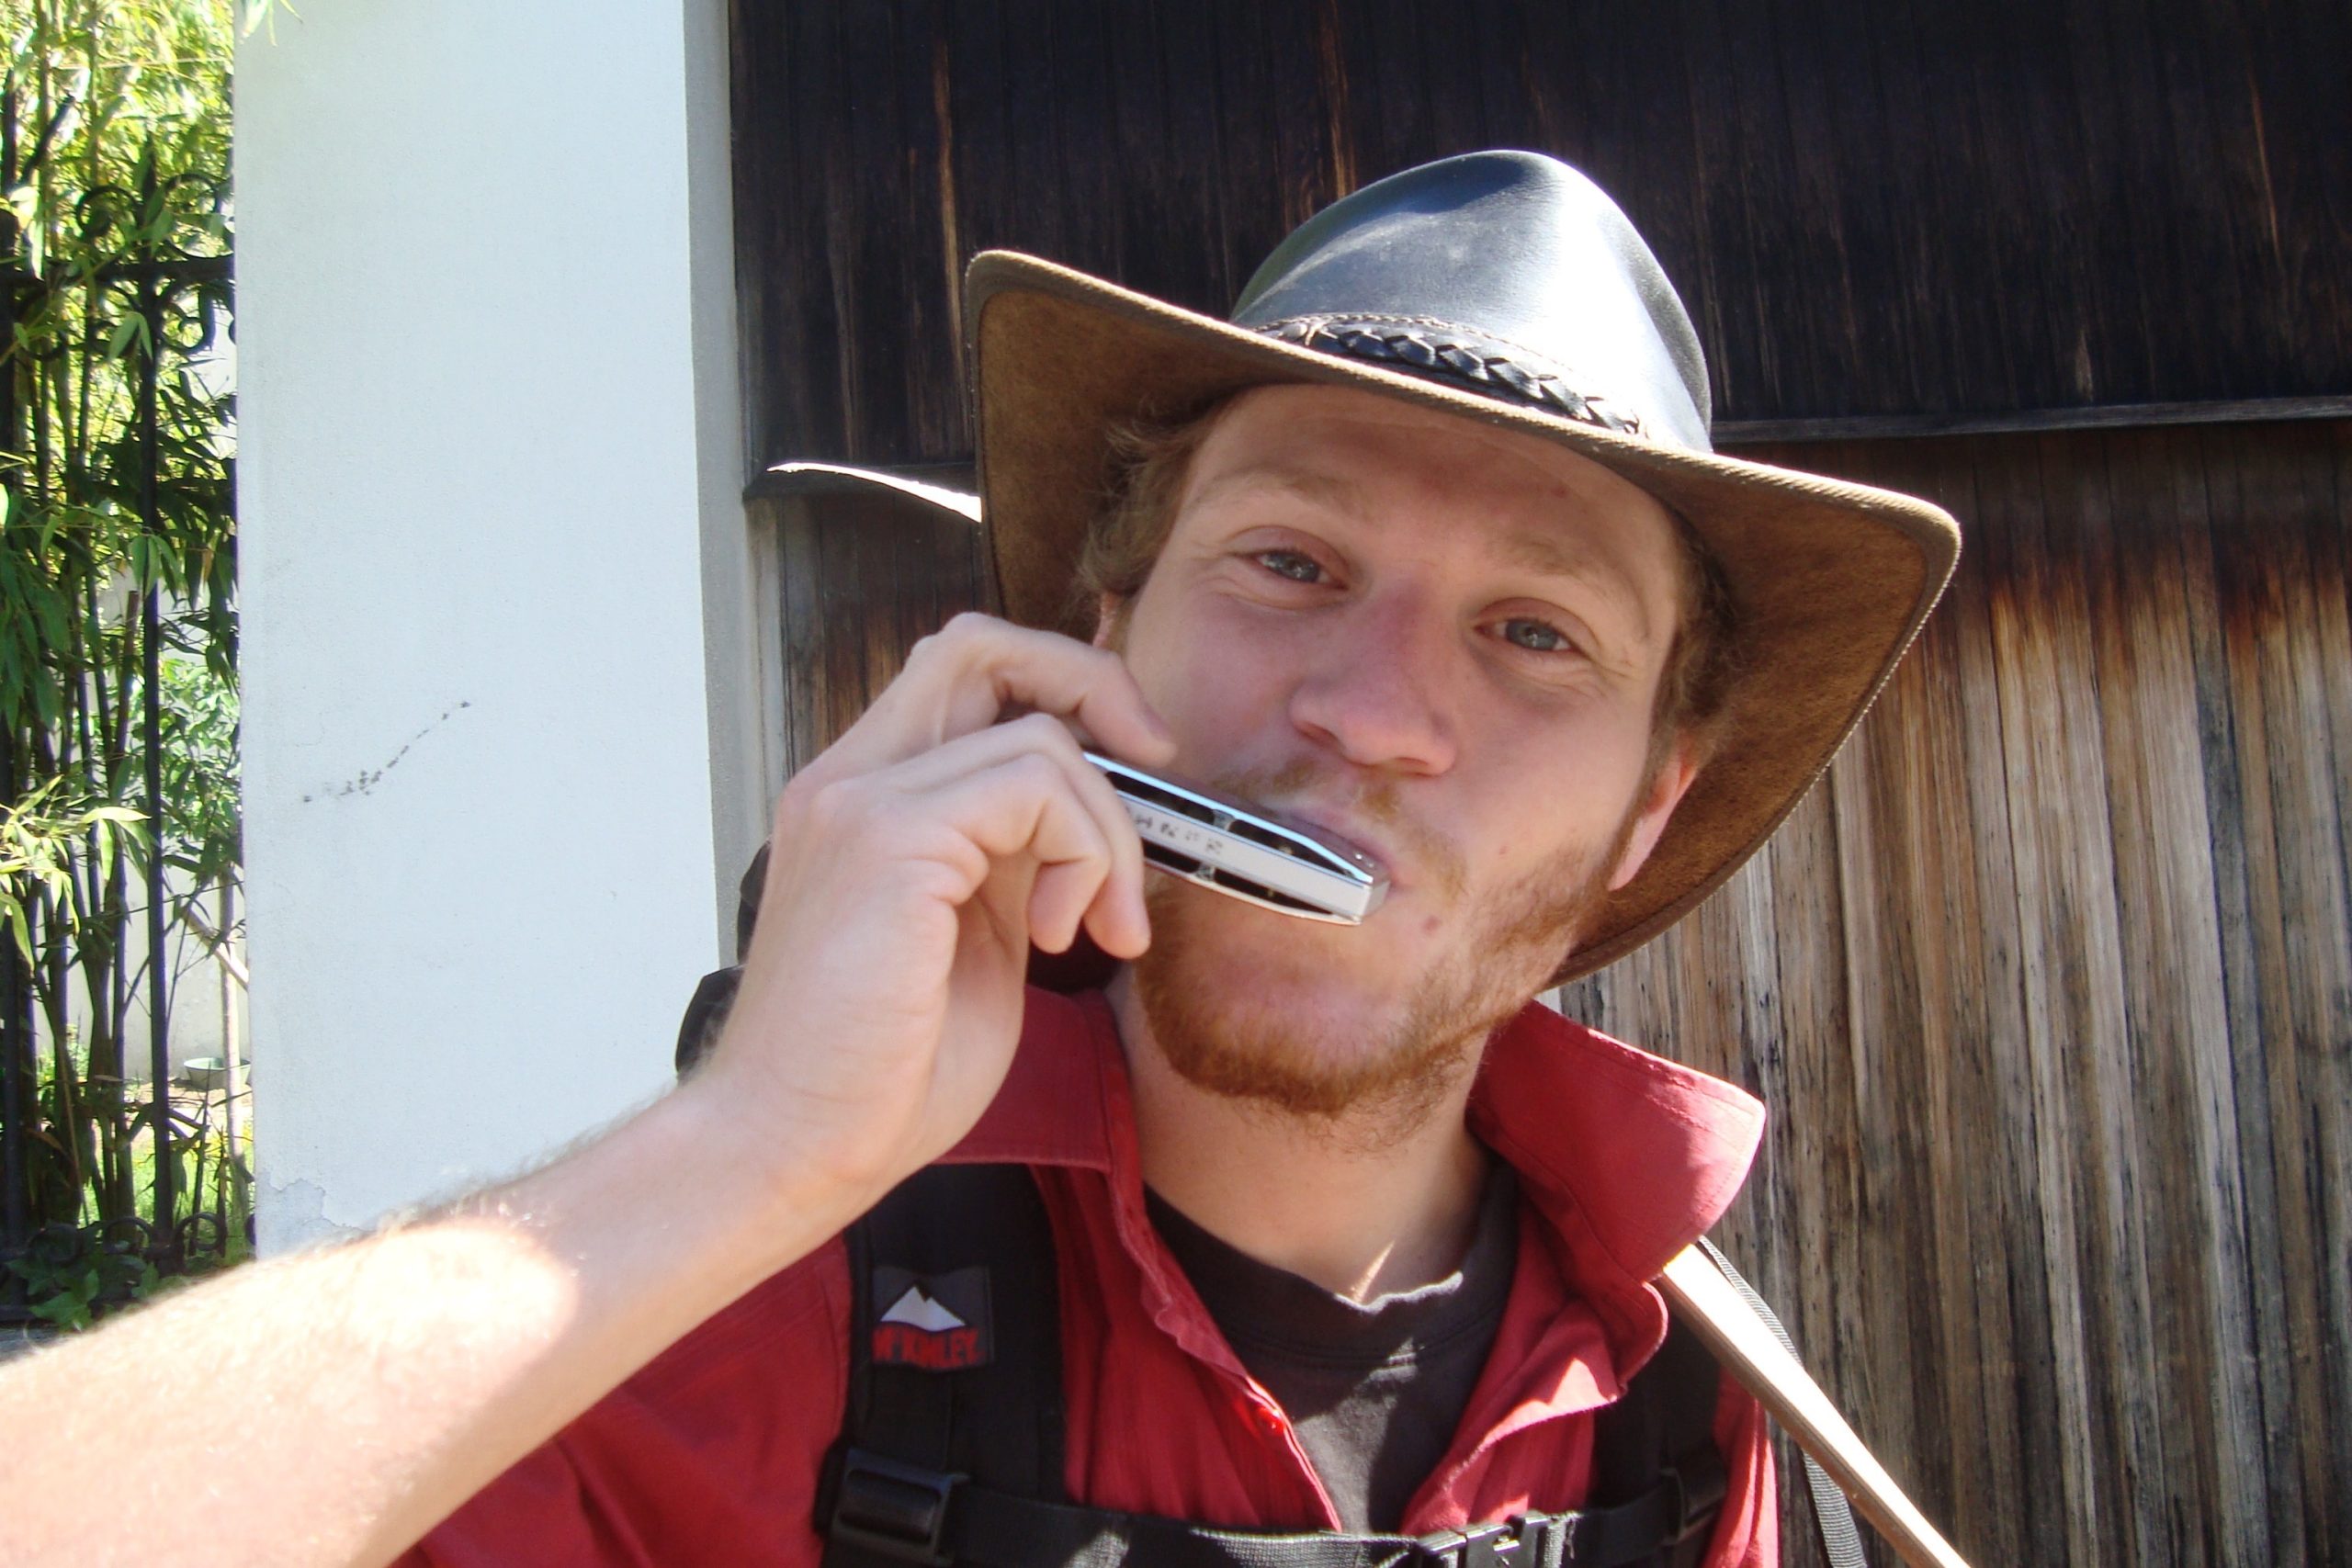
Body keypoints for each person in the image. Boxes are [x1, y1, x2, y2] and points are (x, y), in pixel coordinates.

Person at [0, 152, 1957, 1568]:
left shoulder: (1679, 1391)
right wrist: (744, 1144)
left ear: (1648, 803)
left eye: (1533, 633)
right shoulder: (737, 1307)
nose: (1370, 711)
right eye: (1287, 562)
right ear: (1106, 643)